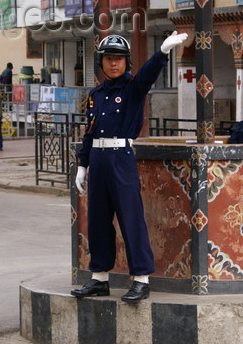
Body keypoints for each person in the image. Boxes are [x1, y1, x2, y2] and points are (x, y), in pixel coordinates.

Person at [71, 31, 188, 303]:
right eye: (109, 59)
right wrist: (83, 164)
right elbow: (89, 132)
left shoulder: (132, 89)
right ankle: (99, 278)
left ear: (127, 63)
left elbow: (147, 75)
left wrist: (161, 53)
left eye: (119, 59)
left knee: (130, 218)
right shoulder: (96, 95)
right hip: (98, 161)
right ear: (102, 62)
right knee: (98, 221)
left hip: (121, 158)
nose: (114, 64)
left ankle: (142, 279)